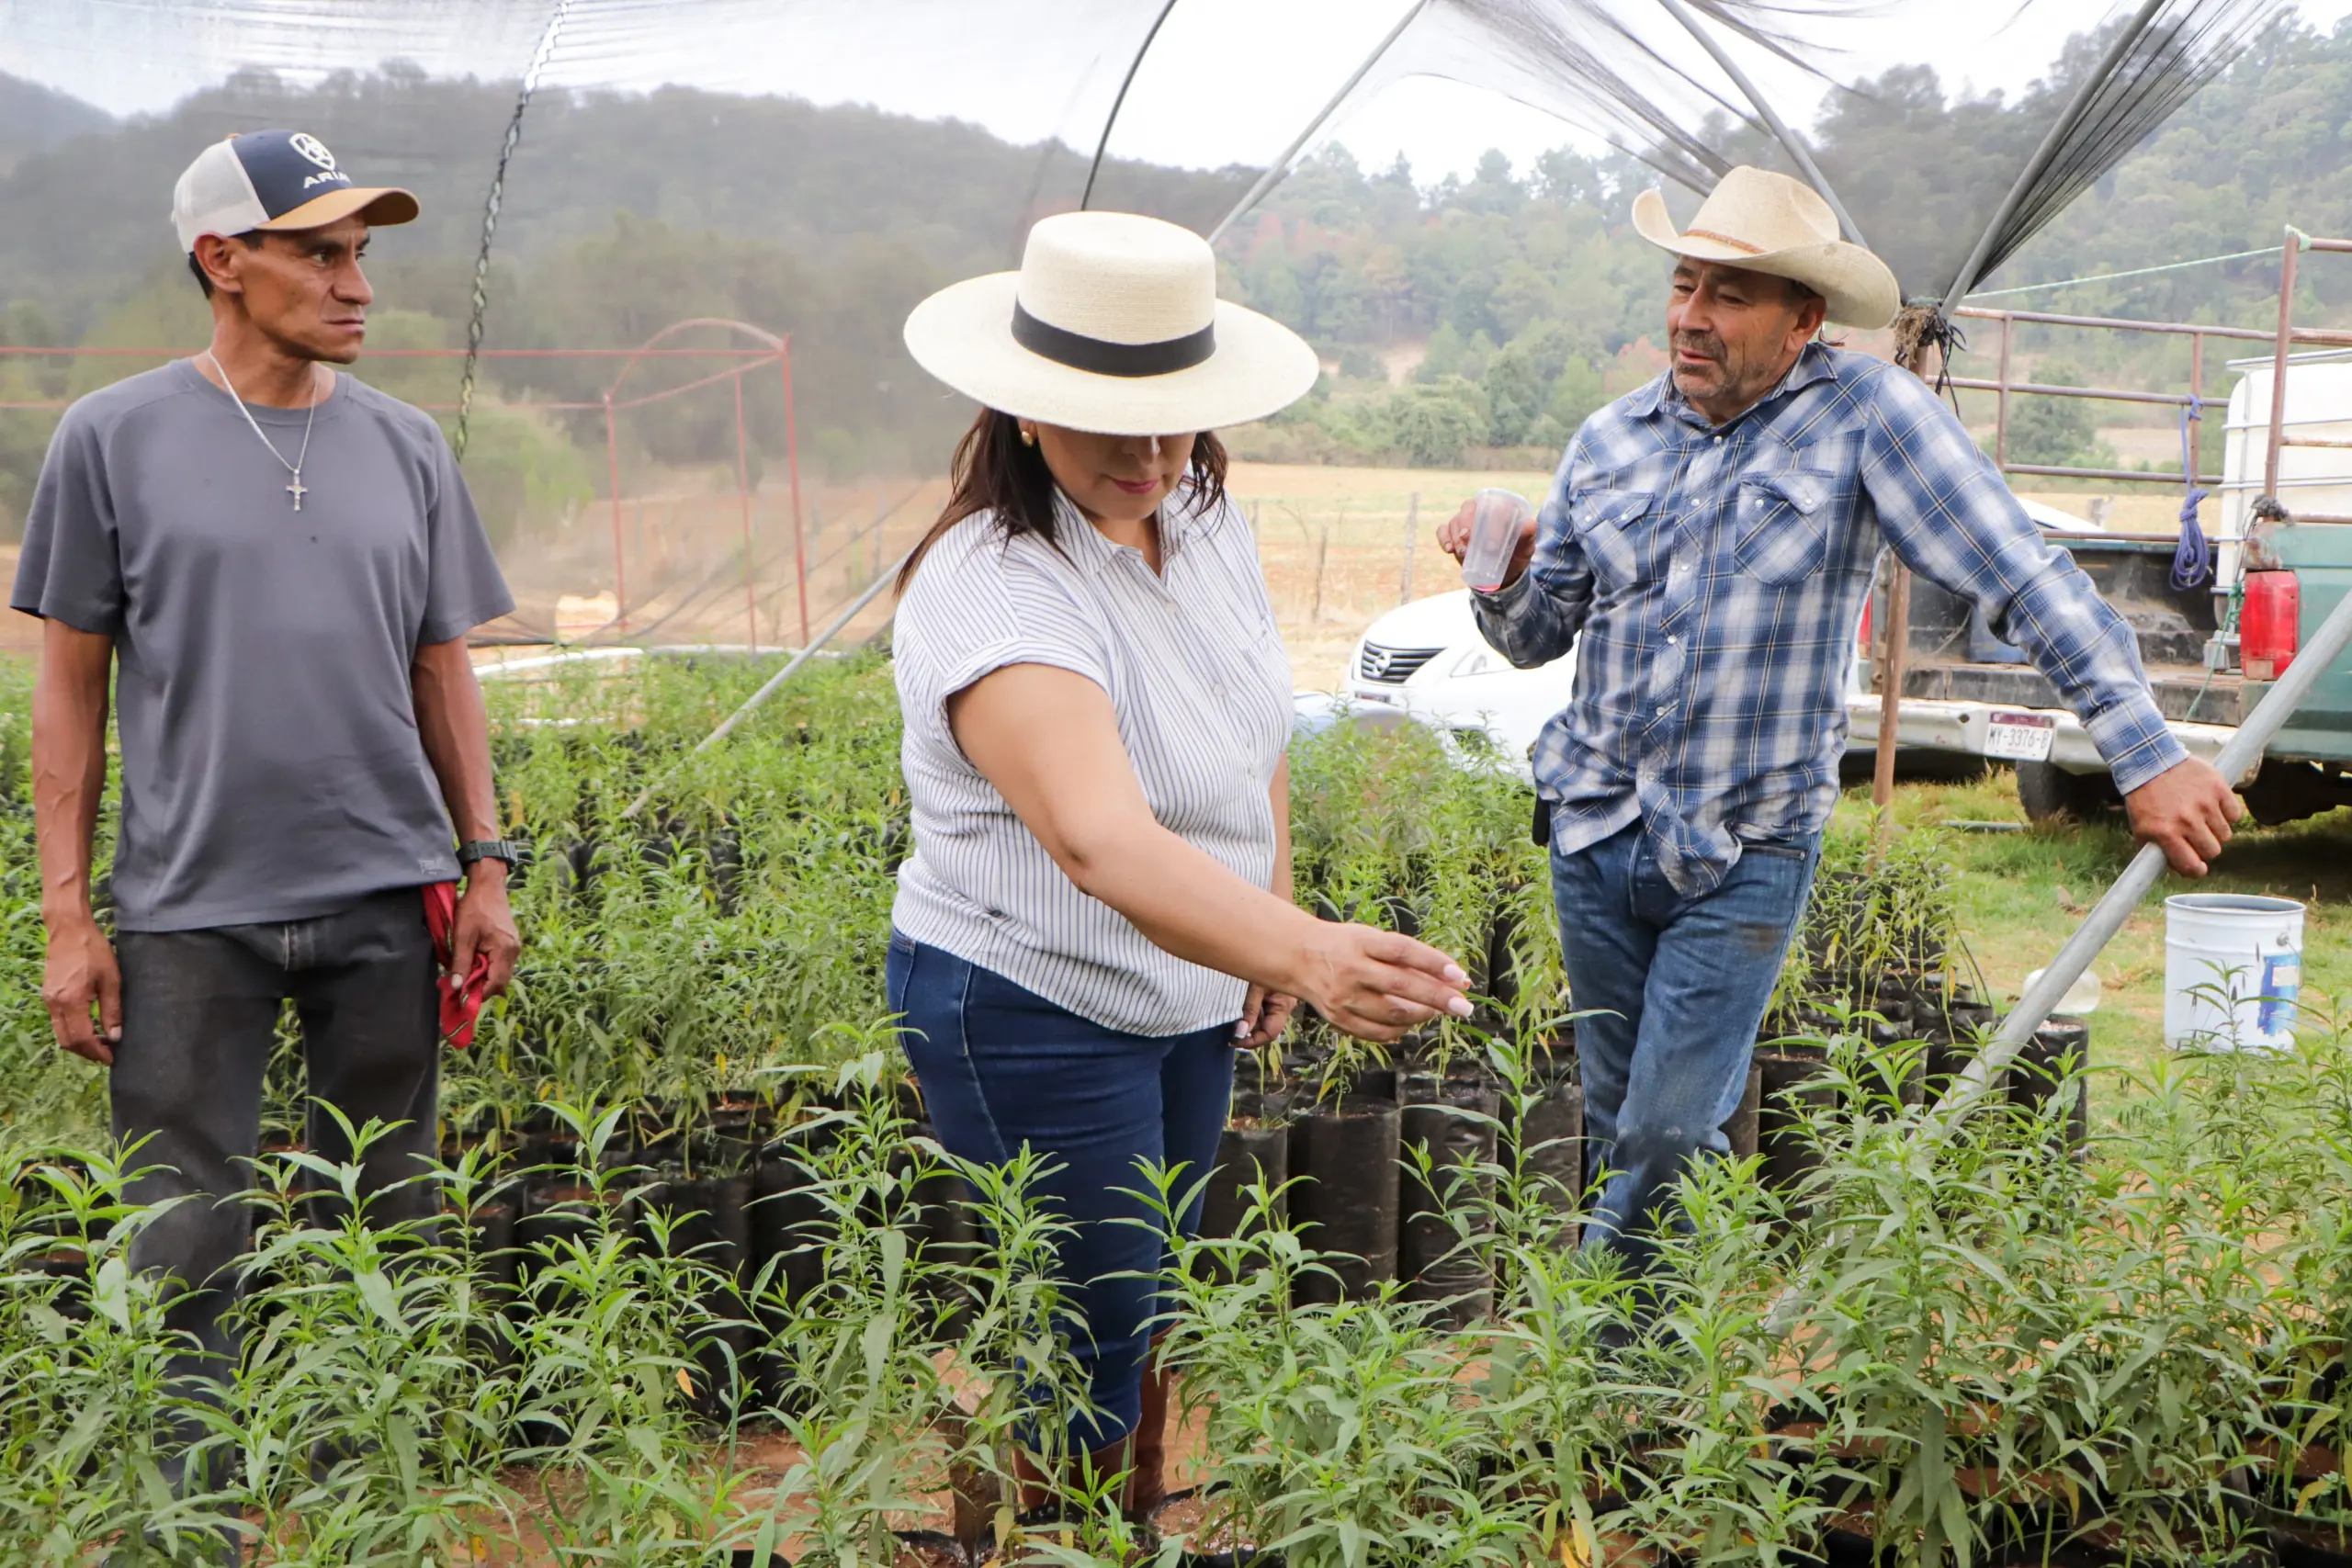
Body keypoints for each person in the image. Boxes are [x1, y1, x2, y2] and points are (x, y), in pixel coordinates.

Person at [1439, 166, 2242, 1281]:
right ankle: (1663, 1388)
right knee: (1631, 1123)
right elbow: (1536, 637)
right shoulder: (1608, 439)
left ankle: (1607, 1365)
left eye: (1730, 293)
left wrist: (2141, 748)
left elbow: (2020, 572)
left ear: (1802, 318)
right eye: (1683, 284)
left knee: (1666, 1136)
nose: (1691, 315)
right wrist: (1500, 575)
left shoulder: (1866, 416)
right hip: (1592, 833)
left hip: (1742, 848)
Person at [891, 210, 1473, 1516]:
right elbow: (1100, 841)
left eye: (1176, 418)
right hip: (1031, 996)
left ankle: (1124, 1520)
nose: (1152, 453)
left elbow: (1250, 718)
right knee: (1076, 1325)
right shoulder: (995, 585)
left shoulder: (1200, 517)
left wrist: (1259, 912)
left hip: (1183, 988)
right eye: (1113, 419)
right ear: (1026, 408)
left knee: (1143, 1290)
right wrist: (1308, 951)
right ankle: (1049, 1532)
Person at [13, 130, 521, 1542]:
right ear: (221, 261)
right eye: (320, 251)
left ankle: (379, 1496)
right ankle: (202, 1519)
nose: (357, 283)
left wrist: (486, 864)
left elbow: (442, 666)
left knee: (387, 1215)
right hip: (190, 911)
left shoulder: (408, 445)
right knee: (185, 1231)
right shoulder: (113, 437)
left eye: (362, 254)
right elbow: (70, 682)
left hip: (387, 899)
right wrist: (67, 914)